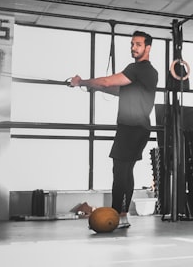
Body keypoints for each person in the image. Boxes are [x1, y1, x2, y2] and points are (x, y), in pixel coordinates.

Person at [68, 30, 159, 230]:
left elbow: (108, 81)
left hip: (132, 128)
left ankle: (117, 215)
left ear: (148, 48)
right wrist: (95, 87)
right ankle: (123, 215)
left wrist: (81, 82)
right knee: (125, 171)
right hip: (137, 128)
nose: (133, 48)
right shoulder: (146, 73)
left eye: (138, 44)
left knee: (120, 171)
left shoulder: (138, 68)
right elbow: (117, 89)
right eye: (132, 44)